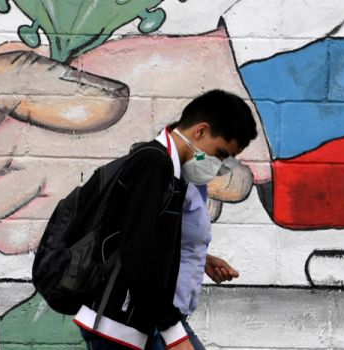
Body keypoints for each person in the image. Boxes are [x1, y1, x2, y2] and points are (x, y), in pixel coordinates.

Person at [77, 90, 258, 350]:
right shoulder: (153, 166)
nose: (217, 165)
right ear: (200, 131)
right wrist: (174, 333)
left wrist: (199, 258)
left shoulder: (174, 171)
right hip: (123, 326)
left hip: (144, 321)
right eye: (219, 153)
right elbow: (139, 256)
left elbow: (144, 234)